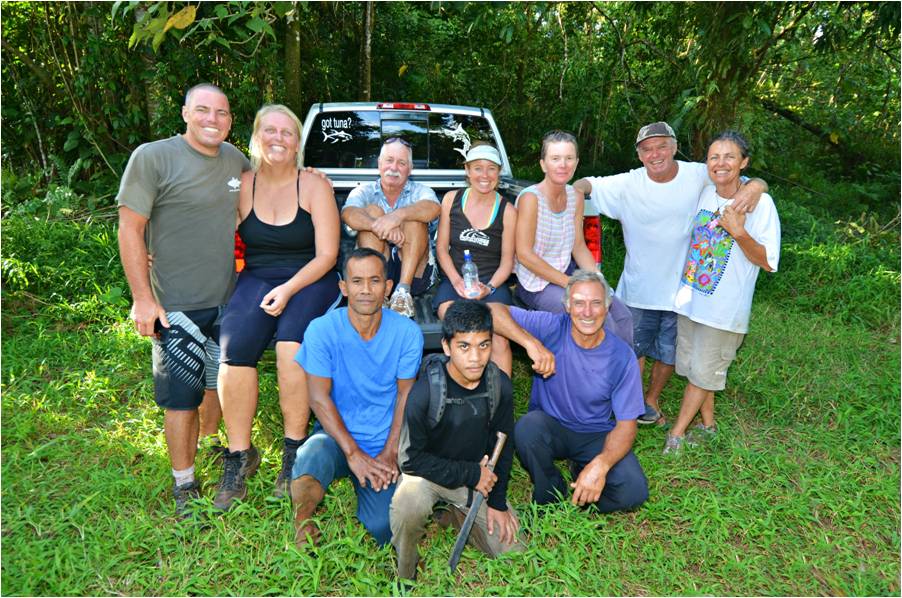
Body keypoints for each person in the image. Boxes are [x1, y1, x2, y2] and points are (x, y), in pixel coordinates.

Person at [573, 122, 767, 425]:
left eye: (662, 146)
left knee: (668, 353)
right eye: (647, 149)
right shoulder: (627, 183)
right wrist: (571, 192)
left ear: (675, 147)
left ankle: (651, 399)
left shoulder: (697, 174)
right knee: (631, 349)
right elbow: (587, 184)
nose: (655, 154)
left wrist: (757, 185)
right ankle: (631, 403)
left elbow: (735, 175)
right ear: (639, 155)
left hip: (683, 293)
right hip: (638, 289)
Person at [116, 83, 250, 517]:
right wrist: (142, 298)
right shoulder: (153, 157)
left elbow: (262, 201)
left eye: (222, 113)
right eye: (203, 110)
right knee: (181, 398)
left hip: (228, 299)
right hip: (174, 304)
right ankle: (184, 484)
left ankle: (210, 443)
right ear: (185, 113)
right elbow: (130, 228)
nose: (213, 119)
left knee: (215, 381)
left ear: (230, 121)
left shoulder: (236, 160)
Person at [212, 105, 342, 510]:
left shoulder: (314, 185)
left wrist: (287, 290)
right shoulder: (243, 185)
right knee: (234, 349)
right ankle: (239, 456)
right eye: (270, 130)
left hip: (311, 277)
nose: (278, 139)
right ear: (256, 137)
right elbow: (212, 229)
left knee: (290, 346)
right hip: (257, 276)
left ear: (297, 142)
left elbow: (328, 255)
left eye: (287, 133)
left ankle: (294, 453)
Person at [289, 248, 423, 547]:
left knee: (384, 528)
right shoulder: (321, 330)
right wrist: (352, 453)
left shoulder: (407, 332)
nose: (365, 290)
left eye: (375, 281)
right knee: (311, 455)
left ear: (388, 287)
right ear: (344, 287)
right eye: (357, 281)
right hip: (336, 435)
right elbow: (318, 397)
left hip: (383, 440)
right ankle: (303, 521)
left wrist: (390, 451)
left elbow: (405, 394)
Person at [488, 270, 649, 513]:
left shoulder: (621, 356)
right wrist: (531, 344)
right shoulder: (552, 326)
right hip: (551, 425)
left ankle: (581, 478)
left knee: (634, 492)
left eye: (596, 303)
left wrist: (601, 465)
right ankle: (551, 491)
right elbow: (491, 310)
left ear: (607, 308)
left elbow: (627, 426)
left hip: (595, 432)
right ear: (567, 306)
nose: (587, 312)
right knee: (527, 429)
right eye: (579, 303)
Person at [665, 131, 781, 454]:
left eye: (730, 156)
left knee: (702, 374)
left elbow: (768, 262)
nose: (721, 163)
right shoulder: (705, 193)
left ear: (744, 162)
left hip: (724, 310)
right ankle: (708, 426)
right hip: (692, 301)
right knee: (696, 370)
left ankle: (676, 434)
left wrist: (739, 233)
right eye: (714, 157)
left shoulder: (760, 205)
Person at [390, 300, 522, 580]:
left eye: (483, 345)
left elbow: (504, 445)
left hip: (473, 482)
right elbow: (409, 461)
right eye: (464, 346)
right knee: (409, 502)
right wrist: (472, 473)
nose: (475, 357)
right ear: (447, 347)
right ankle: (406, 571)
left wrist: (497, 503)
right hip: (428, 475)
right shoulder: (425, 392)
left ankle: (458, 515)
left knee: (516, 553)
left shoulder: (499, 385)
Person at [513, 130, 634, 346]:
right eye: (555, 158)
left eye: (569, 158)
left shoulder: (575, 196)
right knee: (601, 320)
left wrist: (598, 280)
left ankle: (623, 365)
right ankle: (598, 365)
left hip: (569, 276)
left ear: (576, 163)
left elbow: (578, 246)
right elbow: (524, 255)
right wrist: (571, 284)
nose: (563, 165)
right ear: (543, 164)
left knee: (623, 316)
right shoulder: (531, 198)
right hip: (536, 284)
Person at [433, 144, 518, 374]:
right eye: (478, 168)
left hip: (492, 282)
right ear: (467, 170)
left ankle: (501, 393)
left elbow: (507, 263)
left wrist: (488, 288)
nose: (485, 175)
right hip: (455, 280)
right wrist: (456, 281)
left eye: (491, 169)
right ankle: (462, 385)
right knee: (457, 326)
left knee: (499, 339)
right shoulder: (451, 200)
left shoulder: (507, 211)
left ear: (499, 172)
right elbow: (441, 249)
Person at [341, 138, 441, 318]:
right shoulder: (364, 190)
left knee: (414, 217)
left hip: (415, 275)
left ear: (410, 169)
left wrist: (397, 216)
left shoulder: (421, 190)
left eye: (401, 163)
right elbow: (348, 213)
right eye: (389, 160)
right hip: (378, 272)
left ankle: (402, 294)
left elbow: (433, 208)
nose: (394, 167)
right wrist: (379, 225)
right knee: (372, 211)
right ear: (379, 163)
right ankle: (378, 292)